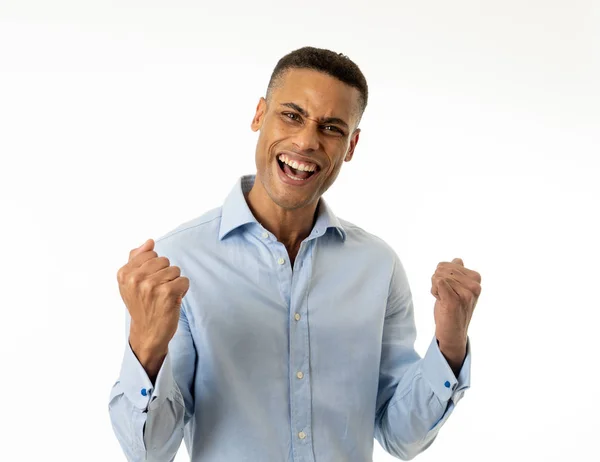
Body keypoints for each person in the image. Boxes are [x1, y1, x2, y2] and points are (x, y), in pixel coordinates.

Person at [108, 46, 482, 462]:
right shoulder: (178, 264)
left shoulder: (378, 267)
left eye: (331, 128)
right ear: (258, 116)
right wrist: (146, 346)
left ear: (352, 145)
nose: (306, 141)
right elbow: (149, 452)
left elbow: (400, 436)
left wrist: (450, 346)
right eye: (292, 115)